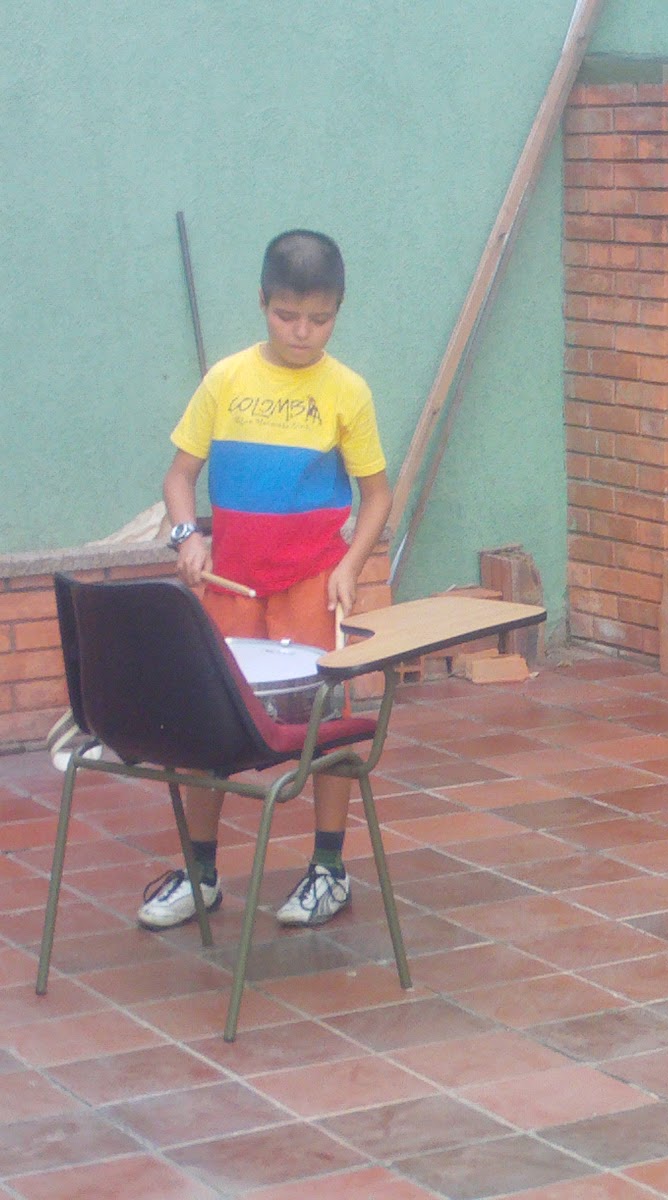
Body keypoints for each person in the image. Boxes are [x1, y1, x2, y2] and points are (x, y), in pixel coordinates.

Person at [138, 229, 391, 931]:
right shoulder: (226, 380)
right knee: (207, 726)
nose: (302, 332)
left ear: (338, 311)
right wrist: (187, 536)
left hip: (312, 584)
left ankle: (329, 868)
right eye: (287, 315)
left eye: (319, 319)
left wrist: (349, 567)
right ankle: (200, 872)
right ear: (261, 302)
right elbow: (179, 477)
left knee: (325, 725)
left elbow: (377, 495)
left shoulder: (348, 391)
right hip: (231, 584)